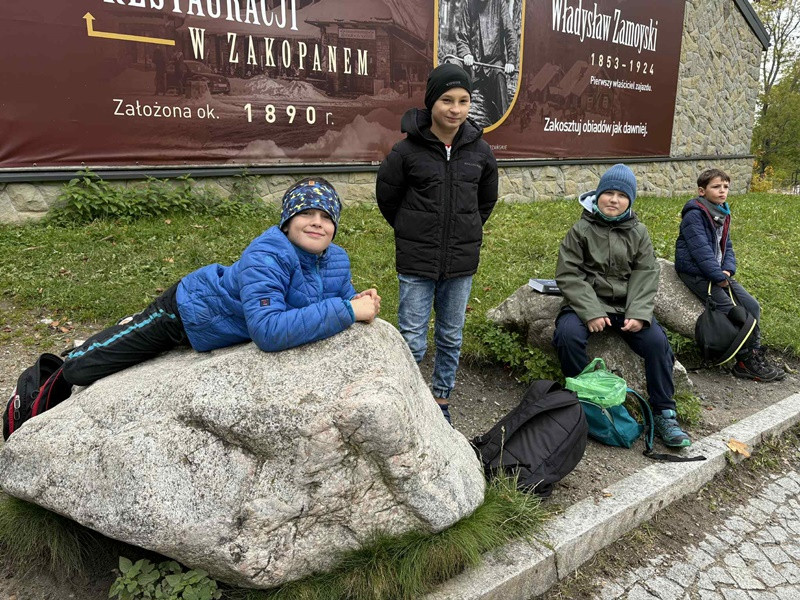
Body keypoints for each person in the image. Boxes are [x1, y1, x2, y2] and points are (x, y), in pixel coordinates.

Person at [60, 177, 381, 388]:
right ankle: (127, 326)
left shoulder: (336, 258)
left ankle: (131, 323)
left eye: (326, 217)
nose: (317, 223)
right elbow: (268, 331)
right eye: (306, 213)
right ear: (286, 222)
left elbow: (341, 297)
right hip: (187, 313)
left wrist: (359, 300)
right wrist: (349, 311)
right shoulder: (267, 254)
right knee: (80, 369)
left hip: (223, 326)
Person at [376, 63, 498, 425]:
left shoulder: (481, 152)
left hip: (460, 262)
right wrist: (411, 229)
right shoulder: (405, 152)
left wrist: (464, 229)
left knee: (450, 336)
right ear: (431, 102)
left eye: (463, 100)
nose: (455, 109)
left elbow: (485, 201)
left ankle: (441, 399)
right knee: (412, 338)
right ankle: (409, 401)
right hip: (416, 260)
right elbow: (388, 198)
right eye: (447, 100)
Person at [552, 164, 692, 448]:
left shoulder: (639, 232)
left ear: (630, 201)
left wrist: (638, 314)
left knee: (657, 343)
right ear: (598, 195)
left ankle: (664, 412)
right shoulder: (580, 230)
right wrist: (591, 311)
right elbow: (569, 274)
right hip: (588, 303)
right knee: (567, 336)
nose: (614, 200)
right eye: (608, 193)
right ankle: (585, 403)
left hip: (626, 307)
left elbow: (646, 273)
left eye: (622, 195)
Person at [674, 168, 784, 382]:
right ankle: (744, 362)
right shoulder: (694, 214)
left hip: (716, 272)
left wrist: (728, 269)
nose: (722, 191)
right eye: (716, 187)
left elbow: (728, 246)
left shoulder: (721, 213)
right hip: (696, 273)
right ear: (702, 191)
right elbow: (700, 251)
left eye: (725, 186)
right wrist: (718, 277)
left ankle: (754, 354)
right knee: (734, 311)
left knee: (752, 306)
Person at [455, 0, 518, 127]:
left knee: (499, 78)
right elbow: (462, 38)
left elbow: (510, 34)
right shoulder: (469, 4)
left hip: (494, 63)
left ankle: (505, 124)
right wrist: (466, 54)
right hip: (473, 65)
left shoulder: (499, 3)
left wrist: (511, 61)